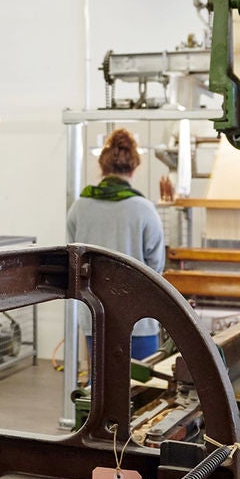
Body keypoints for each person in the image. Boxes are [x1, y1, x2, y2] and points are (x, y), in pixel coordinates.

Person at [66, 128, 168, 363]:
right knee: (144, 388)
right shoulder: (144, 209)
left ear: (102, 167)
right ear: (134, 168)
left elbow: (73, 259)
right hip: (139, 319)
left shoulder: (79, 208)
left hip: (96, 317)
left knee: (101, 388)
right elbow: (156, 269)